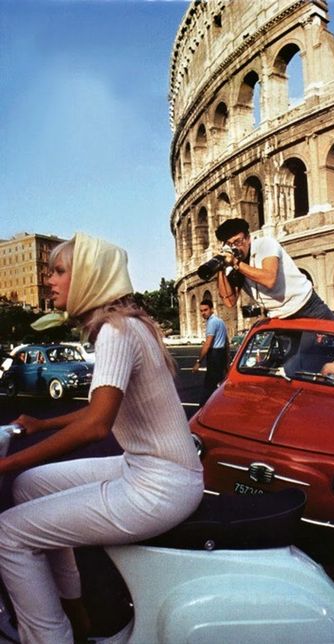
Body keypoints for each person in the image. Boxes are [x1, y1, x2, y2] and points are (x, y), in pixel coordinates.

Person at [0, 232, 204, 644]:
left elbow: (96, 426)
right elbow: (102, 412)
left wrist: (6, 463)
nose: (50, 279)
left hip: (158, 486)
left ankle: (48, 636)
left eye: (59, 271)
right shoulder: (126, 326)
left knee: (7, 533)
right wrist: (43, 426)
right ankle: (75, 613)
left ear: (90, 277)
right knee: (27, 487)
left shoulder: (115, 331)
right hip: (151, 469)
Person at [215, 218, 334, 321]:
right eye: (230, 244)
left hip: (307, 306)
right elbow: (229, 302)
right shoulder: (233, 265)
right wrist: (220, 267)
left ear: (248, 238)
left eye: (238, 242)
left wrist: (236, 263)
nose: (235, 247)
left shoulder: (265, 244)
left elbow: (269, 279)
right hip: (279, 317)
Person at [192, 299, 229, 406]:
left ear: (212, 309)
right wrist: (226, 361)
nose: (203, 313)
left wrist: (198, 361)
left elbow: (208, 344)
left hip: (214, 355)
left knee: (209, 386)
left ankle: (202, 409)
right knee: (220, 384)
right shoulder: (220, 321)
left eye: (205, 310)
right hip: (221, 354)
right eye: (201, 311)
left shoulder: (212, 322)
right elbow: (226, 342)